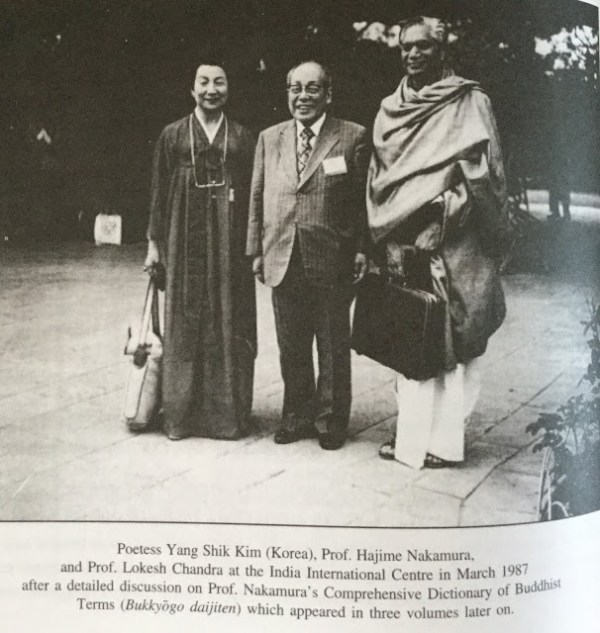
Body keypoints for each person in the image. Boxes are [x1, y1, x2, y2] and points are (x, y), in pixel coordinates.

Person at [367, 17, 511, 468]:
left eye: (423, 46)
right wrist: (393, 229)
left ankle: (445, 444)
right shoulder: (391, 108)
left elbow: (485, 174)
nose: (413, 54)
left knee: (455, 342)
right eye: (406, 47)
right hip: (404, 239)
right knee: (411, 332)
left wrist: (444, 215)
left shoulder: (470, 101)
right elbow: (380, 179)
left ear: (441, 50)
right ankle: (410, 437)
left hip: (457, 240)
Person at [247, 61, 369, 450]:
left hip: (332, 256)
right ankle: (296, 416)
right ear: (287, 94)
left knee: (332, 343)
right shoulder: (270, 138)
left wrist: (363, 248)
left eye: (312, 88)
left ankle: (330, 422)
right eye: (295, 89)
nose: (303, 96)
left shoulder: (352, 136)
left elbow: (362, 202)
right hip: (282, 254)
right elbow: (256, 195)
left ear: (328, 95)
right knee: (291, 345)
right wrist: (255, 249)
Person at [145, 61, 256, 440]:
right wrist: (153, 246)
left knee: (228, 318)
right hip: (181, 243)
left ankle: (225, 416)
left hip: (229, 246)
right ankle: (180, 415)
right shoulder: (173, 135)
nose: (211, 89)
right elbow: (159, 193)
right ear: (192, 89)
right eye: (204, 82)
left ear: (228, 89)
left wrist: (253, 246)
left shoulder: (241, 137)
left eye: (219, 82)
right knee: (184, 318)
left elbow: (254, 196)